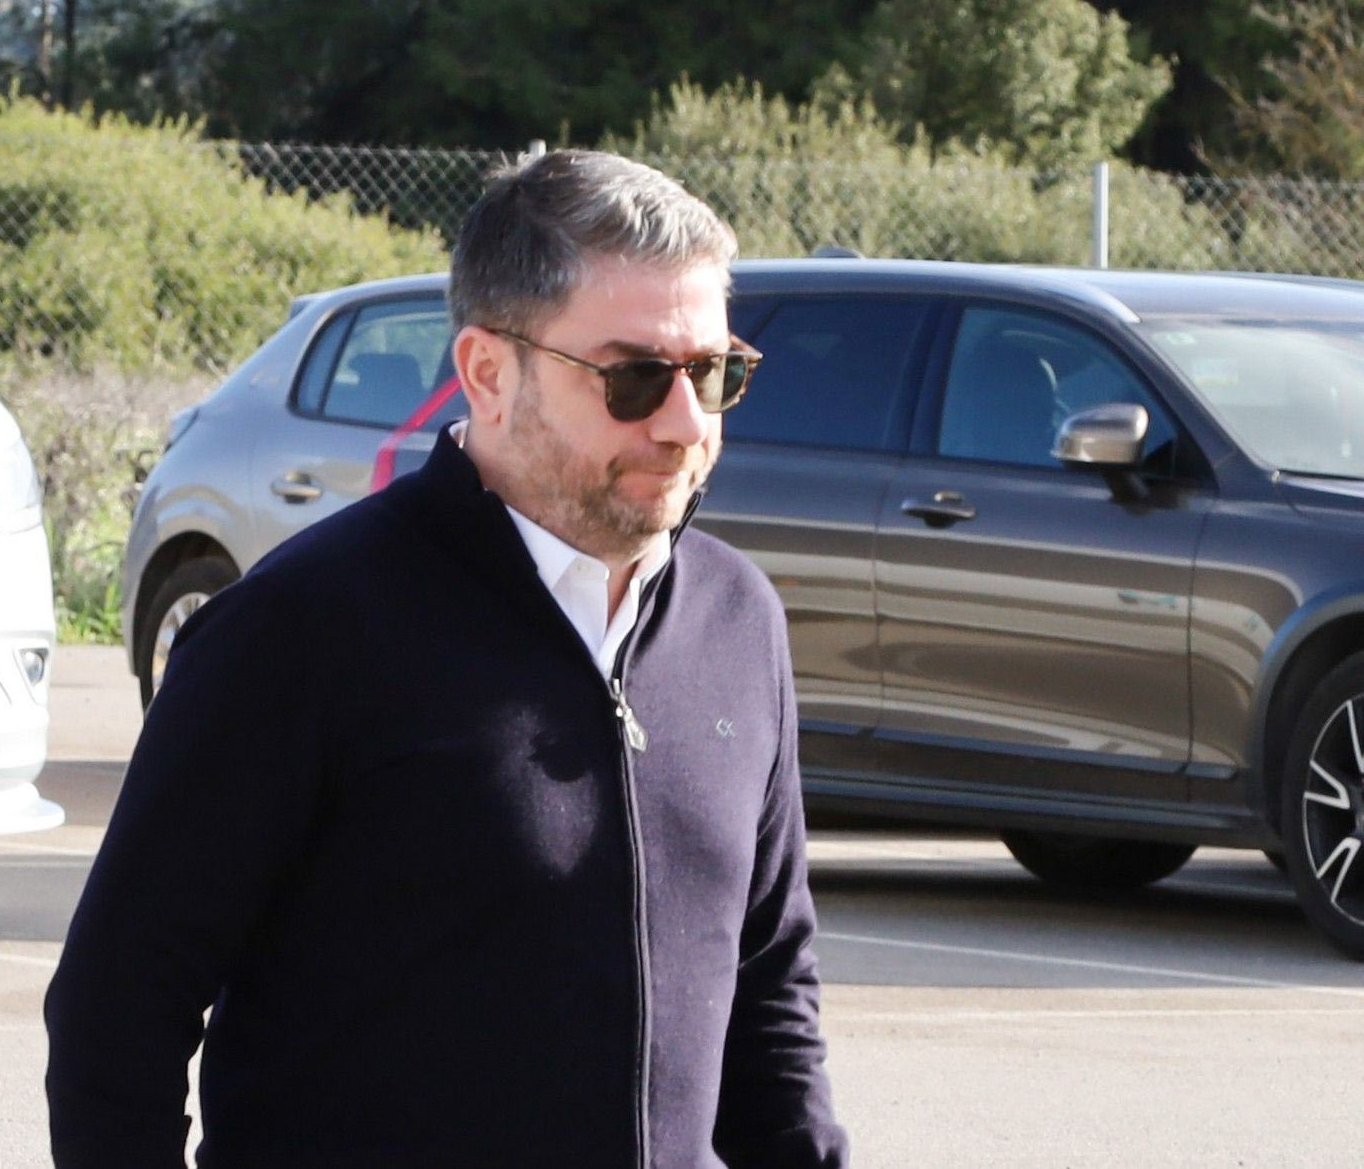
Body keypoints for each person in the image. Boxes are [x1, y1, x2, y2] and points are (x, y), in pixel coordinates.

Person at [44, 148, 848, 1168]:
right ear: (487, 372)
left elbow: (767, 990)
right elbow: (120, 1005)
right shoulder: (302, 630)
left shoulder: (737, 620)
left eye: (714, 373)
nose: (685, 422)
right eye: (636, 378)